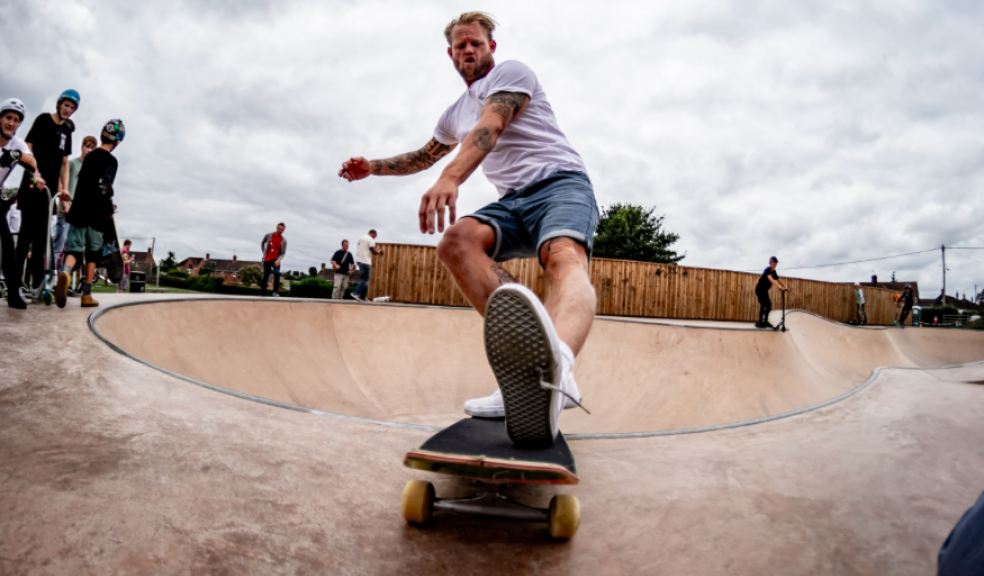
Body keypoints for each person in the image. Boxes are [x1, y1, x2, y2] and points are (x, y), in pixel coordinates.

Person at [339, 12, 596, 447]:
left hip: (560, 183)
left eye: (476, 43)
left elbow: (490, 126)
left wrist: (452, 179)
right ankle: (531, 366)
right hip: (512, 201)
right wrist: (373, 168)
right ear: (451, 54)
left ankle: (559, 368)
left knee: (562, 255)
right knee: (456, 242)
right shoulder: (452, 114)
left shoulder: (513, 74)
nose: (469, 51)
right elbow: (424, 156)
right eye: (461, 46)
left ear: (490, 46)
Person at [54, 119, 125, 309]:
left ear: (102, 135)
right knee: (92, 254)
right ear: (117, 142)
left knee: (73, 250)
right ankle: (86, 294)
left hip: (78, 210)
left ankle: (66, 273)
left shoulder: (90, 157)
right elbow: (104, 186)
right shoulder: (111, 161)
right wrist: (109, 201)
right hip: (96, 214)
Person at [16, 89, 78, 300]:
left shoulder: (67, 132)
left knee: (42, 240)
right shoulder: (43, 120)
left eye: (72, 108)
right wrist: (35, 172)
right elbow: (28, 147)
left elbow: (64, 164)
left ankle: (36, 286)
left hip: (48, 193)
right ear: (59, 103)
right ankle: (17, 283)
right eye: (66, 105)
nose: (68, 110)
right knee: (25, 236)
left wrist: (65, 188)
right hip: (32, 184)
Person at [0, 98, 47, 309]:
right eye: (8, 118)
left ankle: (13, 294)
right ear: (0, 118)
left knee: (9, 245)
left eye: (16, 120)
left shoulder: (16, 143)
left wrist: (19, 158)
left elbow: (32, 162)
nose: (11, 123)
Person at [58, 135, 97, 277]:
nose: (89, 150)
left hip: (80, 217)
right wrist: (66, 204)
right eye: (87, 146)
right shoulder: (73, 163)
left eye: (92, 148)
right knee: (59, 247)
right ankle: (52, 282)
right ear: (82, 147)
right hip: (66, 212)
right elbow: (61, 184)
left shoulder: (92, 169)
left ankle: (65, 280)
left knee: (73, 248)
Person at [755, 256, 788, 328]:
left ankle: (765, 322)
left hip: (765, 290)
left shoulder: (774, 272)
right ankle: (760, 322)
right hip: (760, 289)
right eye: (773, 264)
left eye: (775, 265)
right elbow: (771, 279)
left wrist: (784, 286)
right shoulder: (767, 270)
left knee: (769, 306)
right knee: (764, 304)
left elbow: (778, 279)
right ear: (770, 263)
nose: (774, 266)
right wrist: (778, 286)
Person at [351, 230, 383, 302]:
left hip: (359, 260)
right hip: (365, 261)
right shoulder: (370, 239)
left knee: (364, 279)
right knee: (366, 279)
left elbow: (368, 249)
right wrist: (379, 252)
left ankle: (363, 297)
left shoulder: (362, 238)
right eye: (374, 237)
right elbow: (373, 251)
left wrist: (377, 250)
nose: (374, 238)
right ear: (373, 234)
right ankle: (355, 293)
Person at [260, 223, 287, 297]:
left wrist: (279, 259)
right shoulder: (268, 235)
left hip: (276, 259)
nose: (280, 230)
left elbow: (283, 253)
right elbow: (262, 243)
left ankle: (275, 292)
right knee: (266, 275)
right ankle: (262, 293)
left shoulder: (284, 241)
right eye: (279, 229)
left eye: (282, 229)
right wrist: (264, 253)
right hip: (267, 258)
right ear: (276, 228)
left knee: (277, 273)